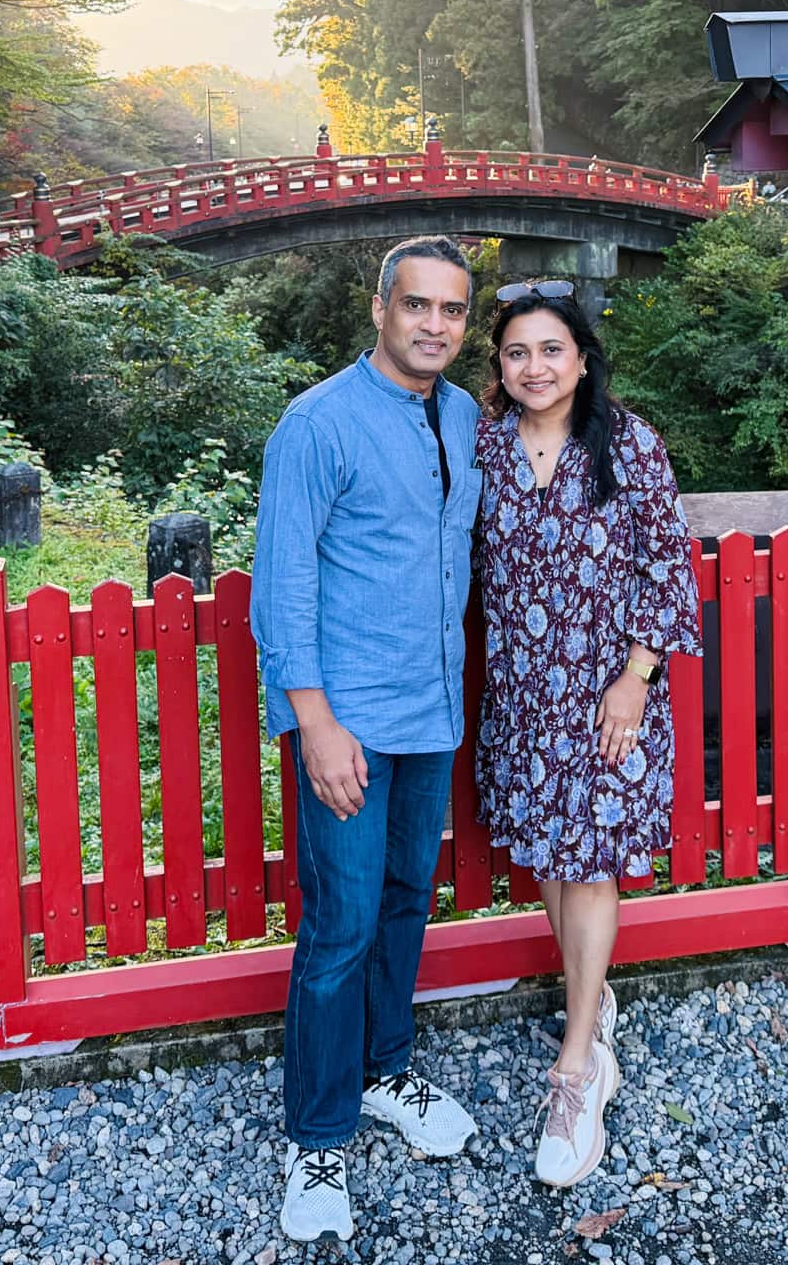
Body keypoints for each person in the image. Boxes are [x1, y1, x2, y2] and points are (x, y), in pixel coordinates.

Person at [251, 235, 483, 1244]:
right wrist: (314, 722)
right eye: (418, 305)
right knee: (340, 922)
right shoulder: (318, 424)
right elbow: (282, 582)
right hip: (347, 721)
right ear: (381, 309)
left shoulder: (468, 416)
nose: (435, 324)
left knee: (402, 901)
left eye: (453, 310)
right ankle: (317, 1136)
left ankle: (388, 1070)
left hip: (430, 711)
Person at [473, 280, 699, 1189]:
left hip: (609, 692)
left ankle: (578, 1068)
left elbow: (667, 565)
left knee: (591, 859)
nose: (535, 368)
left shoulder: (629, 444)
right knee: (554, 860)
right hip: (524, 696)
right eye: (517, 353)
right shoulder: (483, 447)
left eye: (552, 351)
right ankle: (588, 1000)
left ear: (582, 358)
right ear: (499, 364)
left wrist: (636, 681)